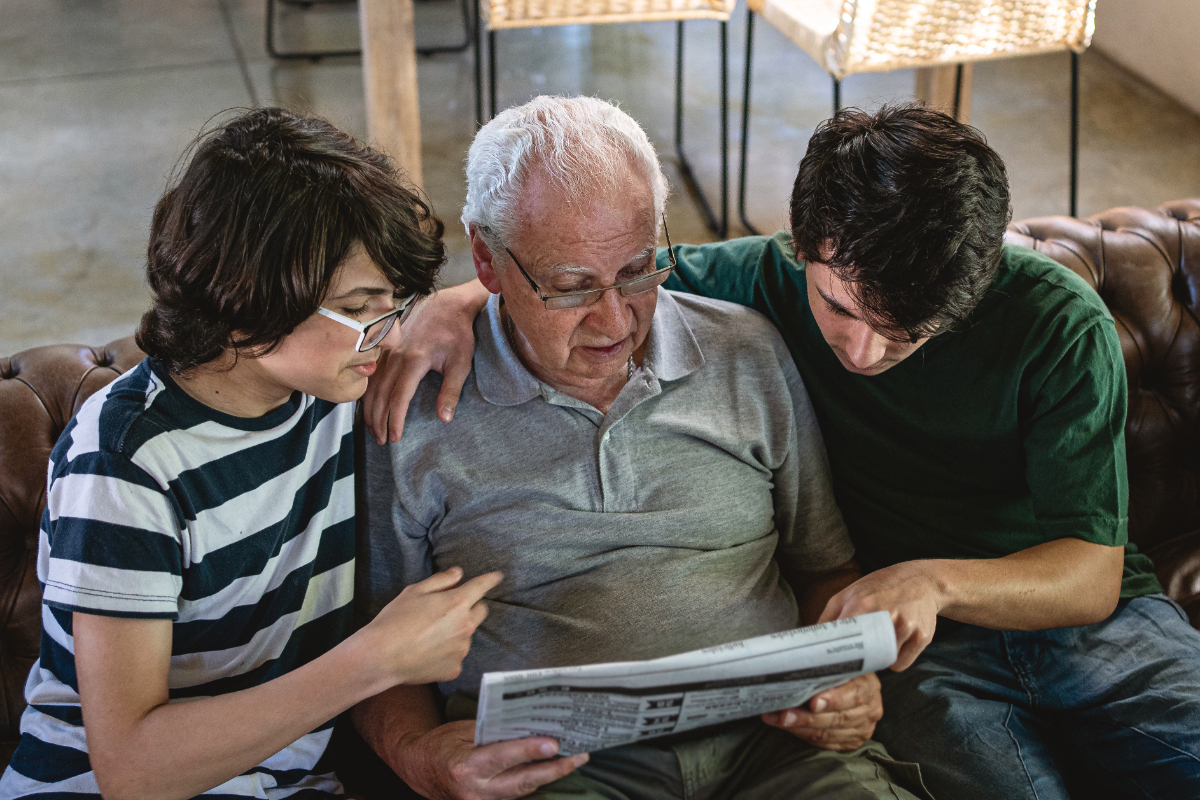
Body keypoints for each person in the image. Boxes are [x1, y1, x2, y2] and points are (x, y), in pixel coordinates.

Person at [365, 103, 1200, 799]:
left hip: (1032, 630)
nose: (864, 353)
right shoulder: (754, 287)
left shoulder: (1050, 322)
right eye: (842, 309)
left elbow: (1082, 577)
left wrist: (904, 611)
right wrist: (449, 303)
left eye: (907, 333)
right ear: (800, 247)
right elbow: (600, 266)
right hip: (891, 666)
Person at [354, 96, 933, 800]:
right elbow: (367, 643)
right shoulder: (411, 409)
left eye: (638, 271)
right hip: (556, 769)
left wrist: (847, 679)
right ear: (485, 257)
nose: (614, 318)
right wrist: (417, 754)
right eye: (571, 288)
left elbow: (825, 570)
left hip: (777, 748)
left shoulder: (747, 353)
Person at [0, 107, 501, 800]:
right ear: (245, 304)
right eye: (362, 309)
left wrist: (464, 297)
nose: (388, 337)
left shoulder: (325, 382)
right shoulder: (126, 465)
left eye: (396, 303)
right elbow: (132, 769)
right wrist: (374, 661)